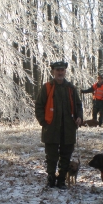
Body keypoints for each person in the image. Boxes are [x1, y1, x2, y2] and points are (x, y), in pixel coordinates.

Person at [35, 61, 83, 189]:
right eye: (57, 70)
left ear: (65, 71)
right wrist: (43, 122)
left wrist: (79, 117)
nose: (60, 72)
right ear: (53, 72)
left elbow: (78, 105)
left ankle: (62, 178)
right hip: (50, 127)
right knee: (51, 155)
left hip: (68, 128)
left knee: (66, 154)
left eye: (62, 70)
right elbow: (39, 106)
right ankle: (51, 177)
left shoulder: (71, 88)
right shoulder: (47, 87)